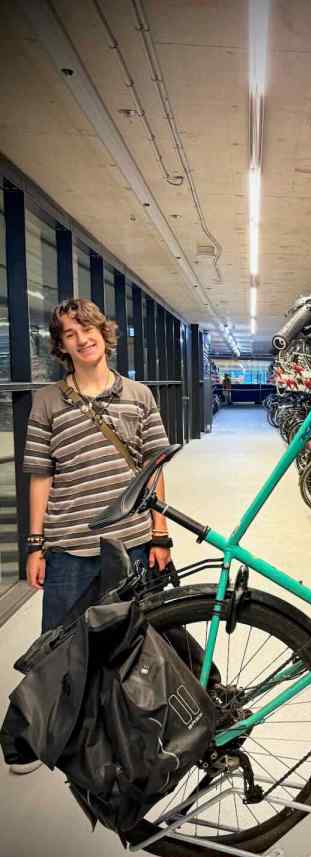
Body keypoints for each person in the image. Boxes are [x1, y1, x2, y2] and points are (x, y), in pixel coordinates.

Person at [10, 298, 173, 774]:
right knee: (57, 646)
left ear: (103, 332)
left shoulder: (139, 396)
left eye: (87, 329)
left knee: (138, 638)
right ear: (61, 346)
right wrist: (36, 544)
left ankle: (133, 728)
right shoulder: (47, 401)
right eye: (69, 334)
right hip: (69, 547)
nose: (81, 339)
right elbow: (40, 475)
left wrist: (159, 533)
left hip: (132, 542)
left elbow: (155, 468)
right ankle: (41, 735)